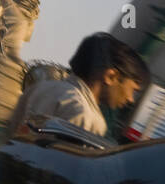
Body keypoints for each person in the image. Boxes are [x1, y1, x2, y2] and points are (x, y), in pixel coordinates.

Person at [9, 33, 149, 141]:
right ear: (111, 77)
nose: (131, 99)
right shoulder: (86, 117)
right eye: (133, 90)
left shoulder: (40, 88)